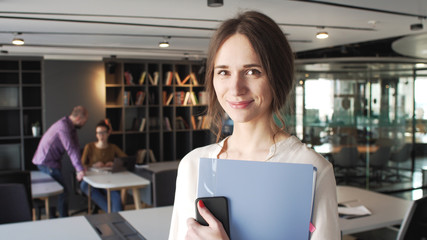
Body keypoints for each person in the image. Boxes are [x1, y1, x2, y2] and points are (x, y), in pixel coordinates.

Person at [168, 11, 340, 240]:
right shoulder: (193, 165)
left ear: (278, 78)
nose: (236, 88)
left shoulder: (311, 168)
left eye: (252, 71)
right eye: (224, 72)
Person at [32, 105, 88, 217]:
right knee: (62, 192)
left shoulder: (71, 127)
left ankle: (54, 217)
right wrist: (79, 169)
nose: (84, 124)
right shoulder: (63, 127)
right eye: (84, 121)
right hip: (46, 162)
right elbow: (70, 148)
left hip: (51, 162)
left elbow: (76, 147)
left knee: (57, 191)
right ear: (78, 119)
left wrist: (80, 167)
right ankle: (63, 219)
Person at [80, 119, 127, 212]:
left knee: (116, 196)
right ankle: (111, 213)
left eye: (103, 132)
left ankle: (115, 216)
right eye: (98, 133)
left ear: (108, 133)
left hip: (108, 178)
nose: (101, 135)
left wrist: (114, 163)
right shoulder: (89, 147)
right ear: (96, 134)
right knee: (84, 186)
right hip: (92, 177)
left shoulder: (112, 147)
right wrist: (93, 165)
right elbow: (81, 164)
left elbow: (125, 159)